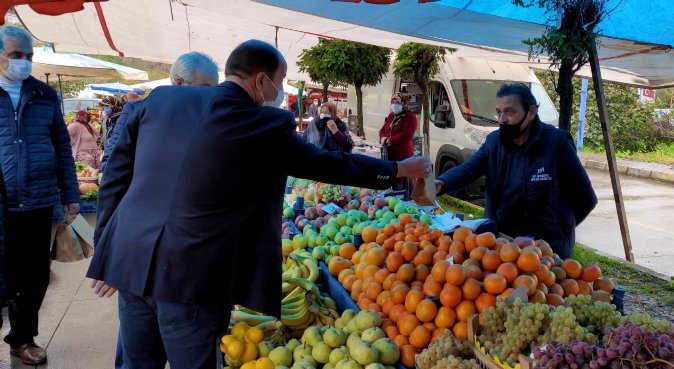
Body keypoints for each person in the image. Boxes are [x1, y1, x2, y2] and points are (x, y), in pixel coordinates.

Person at [86, 39, 428, 368]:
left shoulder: (158, 101)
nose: (279, 92)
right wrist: (396, 169)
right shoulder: (265, 123)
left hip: (130, 258)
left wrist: (105, 248)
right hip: (191, 277)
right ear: (262, 81)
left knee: (134, 363)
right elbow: (330, 164)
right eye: (279, 82)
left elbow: (115, 177)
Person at [433, 83, 597, 259]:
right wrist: (442, 182)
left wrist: (561, 230)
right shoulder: (494, 142)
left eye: (510, 112)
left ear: (531, 113)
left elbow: (586, 198)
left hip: (547, 250)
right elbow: (468, 169)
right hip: (503, 243)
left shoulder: (557, 143)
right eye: (499, 112)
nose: (502, 119)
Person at [0, 26, 80, 366]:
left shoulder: (44, 95)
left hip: (38, 198)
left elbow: (63, 147)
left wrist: (71, 193)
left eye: (29, 56)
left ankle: (22, 339)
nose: (24, 62)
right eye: (16, 55)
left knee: (34, 274)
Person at [101, 51, 219, 171]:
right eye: (205, 89)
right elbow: (110, 166)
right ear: (180, 83)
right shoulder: (136, 113)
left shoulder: (210, 122)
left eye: (216, 91)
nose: (212, 97)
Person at [379, 93, 418, 192]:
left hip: (404, 156)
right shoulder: (391, 115)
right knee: (392, 184)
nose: (394, 104)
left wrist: (389, 141)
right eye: (393, 102)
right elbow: (382, 130)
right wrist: (382, 138)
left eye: (398, 102)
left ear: (404, 103)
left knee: (403, 187)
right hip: (390, 155)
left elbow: (406, 135)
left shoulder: (410, 117)